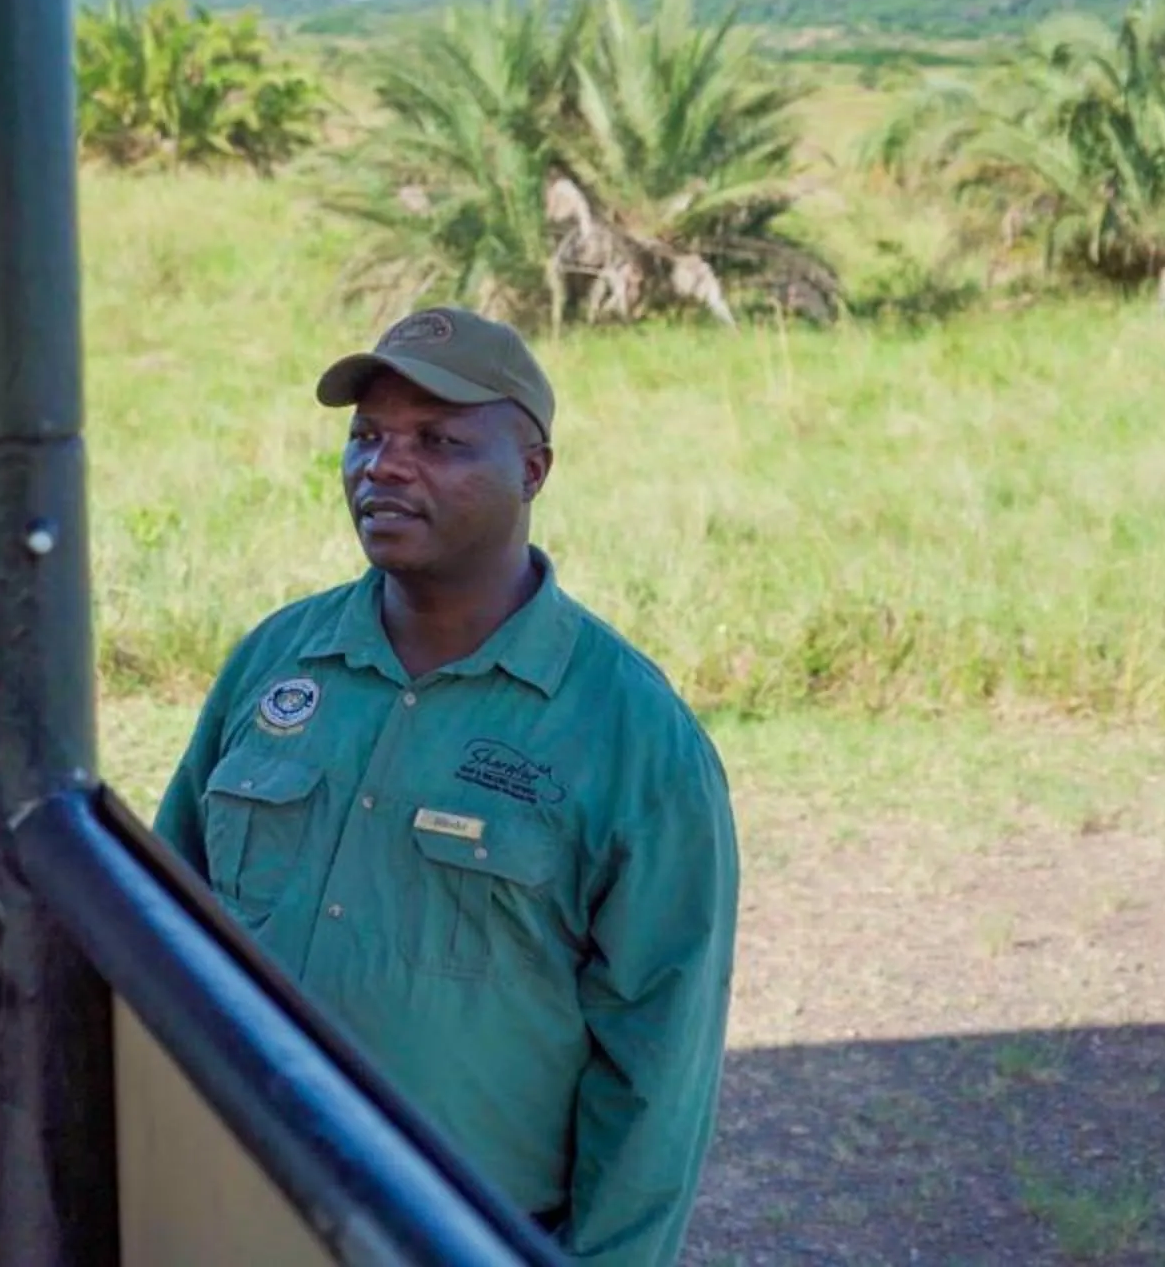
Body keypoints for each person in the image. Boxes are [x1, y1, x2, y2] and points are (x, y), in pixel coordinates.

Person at [152, 306, 738, 1265]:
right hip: (230, 1207)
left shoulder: (633, 738)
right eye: (367, 437)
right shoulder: (277, 659)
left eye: (439, 442)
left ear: (533, 471)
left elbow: (660, 1068)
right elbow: (166, 927)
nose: (384, 466)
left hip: (460, 1240)